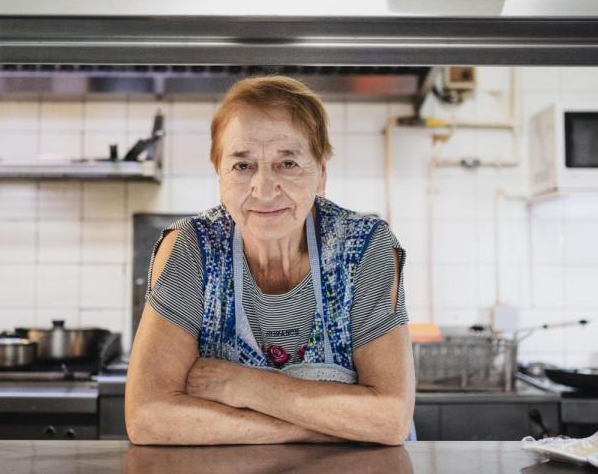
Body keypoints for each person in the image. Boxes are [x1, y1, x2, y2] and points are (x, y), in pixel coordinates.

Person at [125, 76, 415, 445]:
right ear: (219, 174)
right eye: (242, 166)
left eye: (288, 163)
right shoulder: (191, 248)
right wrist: (327, 425)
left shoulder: (363, 247)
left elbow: (390, 419)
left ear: (321, 174)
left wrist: (244, 387)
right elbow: (148, 417)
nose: (263, 189)